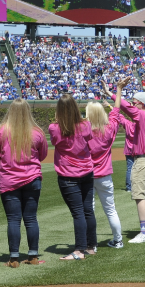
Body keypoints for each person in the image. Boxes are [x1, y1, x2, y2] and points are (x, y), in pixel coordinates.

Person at [0, 99, 49, 267]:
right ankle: (33, 255)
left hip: (9, 180)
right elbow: (42, 154)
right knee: (31, 218)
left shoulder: (1, 130)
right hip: (32, 178)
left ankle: (14, 258)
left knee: (13, 220)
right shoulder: (37, 132)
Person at [48, 93, 96, 260]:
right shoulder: (85, 125)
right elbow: (88, 137)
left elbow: (55, 141)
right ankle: (90, 246)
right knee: (87, 210)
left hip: (68, 174)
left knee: (78, 213)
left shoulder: (55, 127)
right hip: (86, 171)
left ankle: (79, 250)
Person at [115, 78, 145, 242]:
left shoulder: (141, 115)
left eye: (135, 102)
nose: (132, 105)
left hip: (142, 160)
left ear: (141, 103)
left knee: (140, 196)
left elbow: (125, 108)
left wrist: (117, 92)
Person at [87, 101, 124, 248]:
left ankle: (91, 244)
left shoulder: (85, 131)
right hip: (105, 175)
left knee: (89, 211)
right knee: (110, 209)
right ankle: (118, 240)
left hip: (88, 175)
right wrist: (118, 90)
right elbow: (115, 111)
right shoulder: (108, 129)